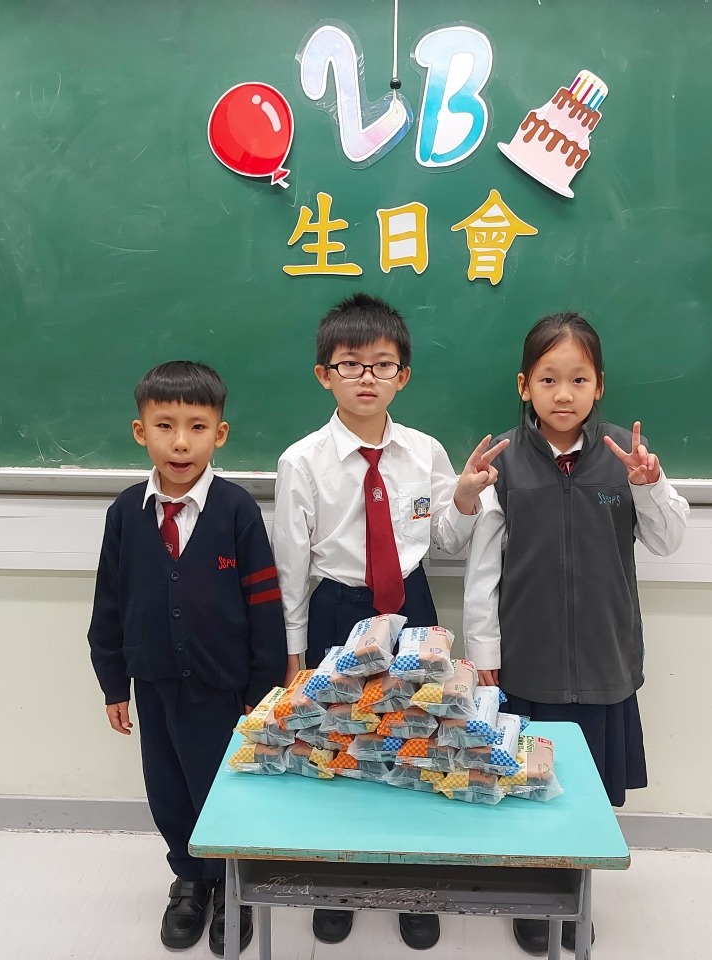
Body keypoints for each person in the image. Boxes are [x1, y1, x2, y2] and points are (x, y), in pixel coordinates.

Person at [273, 292, 505, 951]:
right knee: (335, 744)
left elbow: (447, 540)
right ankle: (337, 882)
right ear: (324, 374)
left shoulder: (424, 452)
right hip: (337, 610)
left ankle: (413, 885)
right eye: (350, 364)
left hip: (413, 608)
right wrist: (292, 653)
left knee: (420, 739)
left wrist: (464, 498)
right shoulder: (301, 461)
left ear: (403, 375)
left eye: (382, 365)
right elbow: (290, 566)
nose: (367, 377)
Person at [462, 312, 689, 956]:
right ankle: (534, 894)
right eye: (548, 379)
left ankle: (575, 891)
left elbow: (669, 541)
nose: (564, 394)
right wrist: (484, 652)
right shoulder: (505, 463)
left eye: (579, 379)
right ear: (524, 386)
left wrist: (651, 486)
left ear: (599, 386)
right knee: (525, 784)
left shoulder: (626, 457)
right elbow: (483, 569)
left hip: (602, 657)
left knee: (585, 790)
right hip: (526, 661)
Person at [87, 360, 286, 957]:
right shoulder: (125, 513)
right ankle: (190, 880)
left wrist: (261, 690)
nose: (180, 443)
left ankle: (232, 885)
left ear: (219, 434)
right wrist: (113, 682)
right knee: (168, 791)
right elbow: (109, 602)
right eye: (164, 426)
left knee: (221, 789)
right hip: (153, 684)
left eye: (197, 427)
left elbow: (264, 606)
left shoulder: (236, 510)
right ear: (139, 431)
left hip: (224, 690)